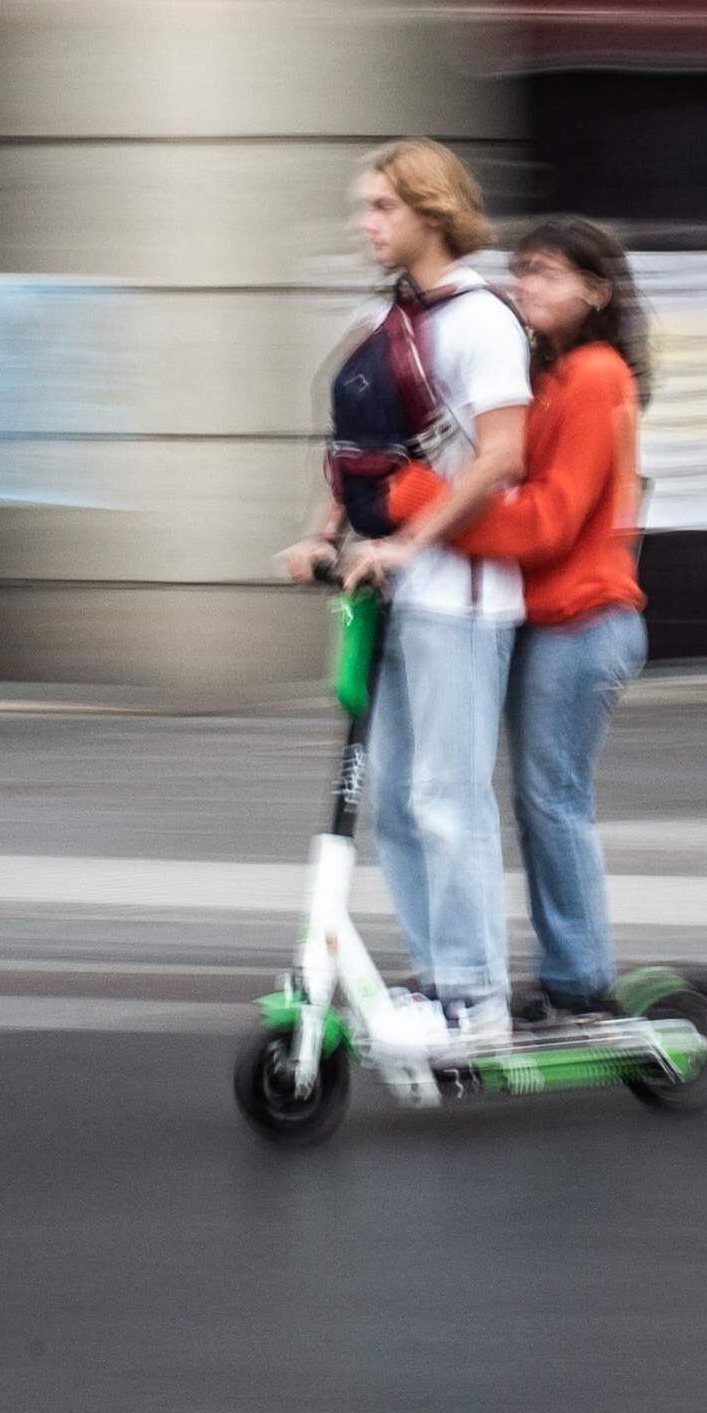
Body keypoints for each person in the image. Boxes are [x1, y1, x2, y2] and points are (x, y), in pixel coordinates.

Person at [277, 140, 531, 1051]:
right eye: (363, 207)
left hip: (460, 596)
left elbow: (502, 455)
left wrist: (408, 541)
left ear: (431, 212)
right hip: (384, 591)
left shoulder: (479, 321)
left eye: (381, 206)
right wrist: (323, 533)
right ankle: (438, 984)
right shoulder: (378, 317)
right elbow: (345, 453)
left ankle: (478, 1000)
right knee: (392, 797)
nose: (365, 223)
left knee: (445, 797)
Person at [386, 215, 649, 1025]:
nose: (523, 284)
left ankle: (579, 980)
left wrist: (417, 500)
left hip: (583, 623)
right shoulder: (551, 375)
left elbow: (542, 523)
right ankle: (562, 971)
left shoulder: (597, 374)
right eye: (521, 268)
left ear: (595, 293)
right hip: (544, 622)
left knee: (551, 800)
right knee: (523, 799)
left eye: (547, 273)